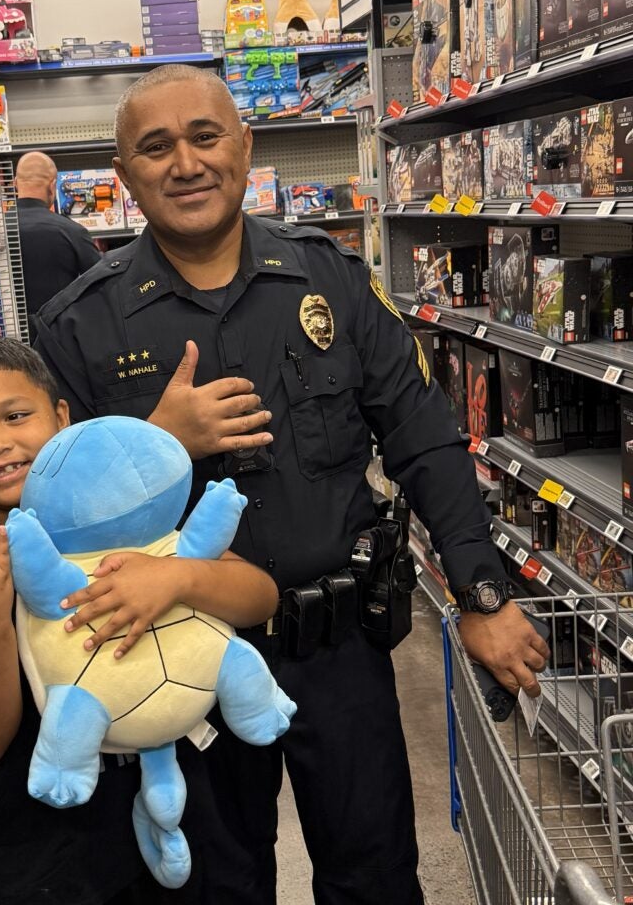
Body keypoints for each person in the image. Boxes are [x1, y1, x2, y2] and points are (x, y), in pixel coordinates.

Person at [31, 64, 551, 905]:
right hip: (177, 658)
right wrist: (159, 441)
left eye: (205, 137)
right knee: (212, 888)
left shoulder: (330, 281)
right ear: (123, 175)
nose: (186, 163)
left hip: (337, 648)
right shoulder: (80, 326)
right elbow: (44, 513)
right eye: (155, 148)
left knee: (375, 877)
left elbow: (424, 439)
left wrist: (481, 594)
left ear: (244, 145)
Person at [0, 334, 281, 905]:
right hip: (48, 845)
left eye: (15, 415)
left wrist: (176, 578)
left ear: (60, 417)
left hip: (194, 807)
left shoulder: (135, 512)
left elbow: (260, 596)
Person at [14, 151, 101, 319]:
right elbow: (103, 283)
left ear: (15, 183)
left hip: (4, 339)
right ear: (52, 185)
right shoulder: (72, 231)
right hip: (58, 335)